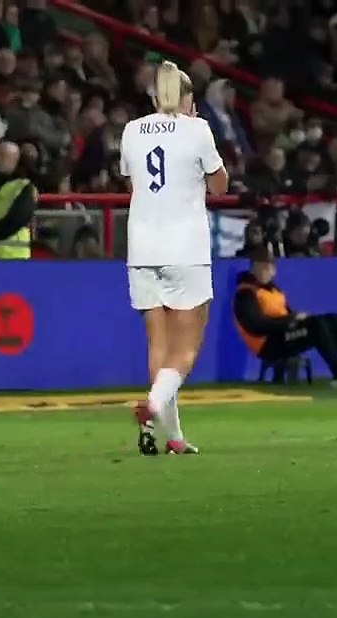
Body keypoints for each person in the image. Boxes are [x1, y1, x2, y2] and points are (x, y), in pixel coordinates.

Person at [118, 61, 228, 456]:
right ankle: (151, 406)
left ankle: (174, 437)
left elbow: (132, 182)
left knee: (158, 345)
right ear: (186, 98)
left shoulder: (131, 130)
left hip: (142, 247)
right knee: (186, 347)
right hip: (185, 248)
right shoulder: (197, 129)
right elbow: (220, 186)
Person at [234, 248, 337, 386]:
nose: (266, 271)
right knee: (316, 325)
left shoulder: (274, 290)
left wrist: (296, 319)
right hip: (267, 344)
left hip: (283, 333)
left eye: (269, 268)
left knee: (333, 319)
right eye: (261, 267)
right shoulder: (246, 293)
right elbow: (256, 326)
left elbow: (286, 313)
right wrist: (290, 320)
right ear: (253, 269)